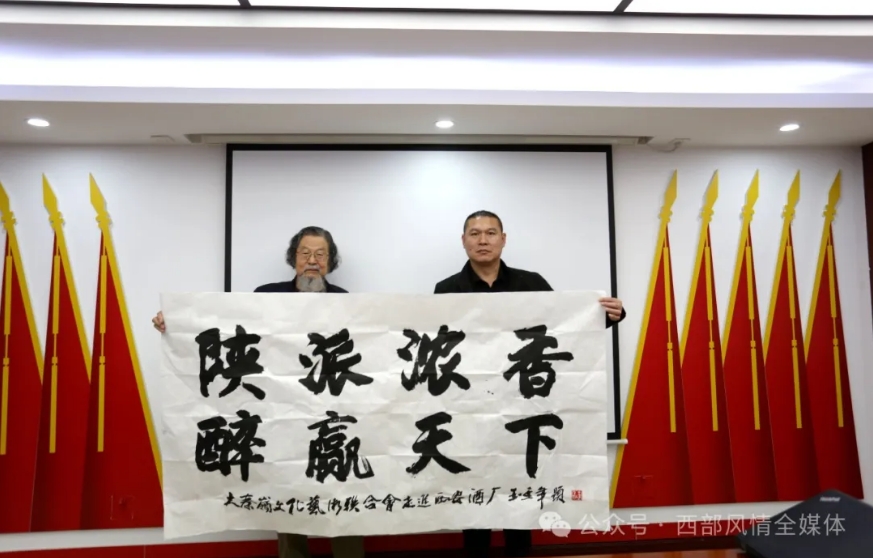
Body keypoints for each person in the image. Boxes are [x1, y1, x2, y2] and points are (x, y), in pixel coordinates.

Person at [152, 226, 364, 558]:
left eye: (320, 254)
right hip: (281, 414)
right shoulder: (266, 296)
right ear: (293, 258)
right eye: (305, 253)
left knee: (342, 493)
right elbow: (225, 324)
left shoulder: (346, 301)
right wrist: (177, 321)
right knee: (289, 496)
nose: (312, 260)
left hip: (331, 411)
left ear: (330, 260)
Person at [433, 210, 625, 558]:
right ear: (463, 241)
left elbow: (564, 327)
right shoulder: (446, 290)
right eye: (474, 233)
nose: (483, 240)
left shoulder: (530, 283)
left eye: (491, 232)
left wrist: (609, 316)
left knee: (519, 494)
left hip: (522, 406)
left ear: (503, 239)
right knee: (474, 493)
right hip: (472, 409)